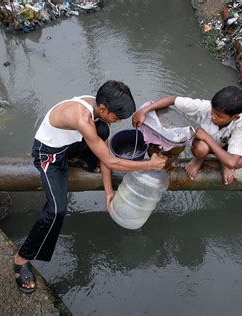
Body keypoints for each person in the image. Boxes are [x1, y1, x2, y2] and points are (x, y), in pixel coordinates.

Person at [14, 80, 167, 293]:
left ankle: (77, 159)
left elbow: (104, 153)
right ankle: (21, 259)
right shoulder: (82, 117)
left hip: (68, 146)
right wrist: (149, 164)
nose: (117, 121)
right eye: (117, 117)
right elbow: (112, 162)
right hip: (48, 155)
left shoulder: (97, 106)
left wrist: (109, 192)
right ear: (103, 108)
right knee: (56, 211)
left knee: (103, 130)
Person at [132, 86, 242, 185]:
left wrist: (207, 137)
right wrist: (144, 111)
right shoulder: (205, 107)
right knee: (202, 149)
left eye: (219, 116)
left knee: (239, 162)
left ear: (234, 117)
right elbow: (172, 99)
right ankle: (199, 159)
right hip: (203, 145)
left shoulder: (239, 124)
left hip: (222, 147)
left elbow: (233, 161)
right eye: (212, 111)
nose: (213, 117)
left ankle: (223, 163)